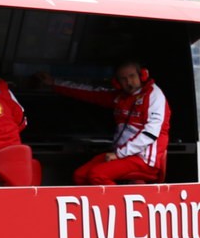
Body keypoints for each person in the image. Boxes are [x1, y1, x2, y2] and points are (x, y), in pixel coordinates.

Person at [43, 61, 171, 185]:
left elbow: (150, 133)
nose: (128, 82)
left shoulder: (154, 95)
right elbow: (89, 92)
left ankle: (123, 205)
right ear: (117, 82)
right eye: (123, 79)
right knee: (80, 175)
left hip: (144, 159)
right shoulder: (120, 96)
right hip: (122, 155)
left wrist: (119, 154)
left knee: (97, 174)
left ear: (142, 75)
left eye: (132, 76)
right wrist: (53, 83)